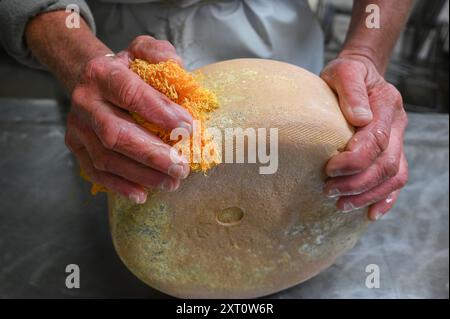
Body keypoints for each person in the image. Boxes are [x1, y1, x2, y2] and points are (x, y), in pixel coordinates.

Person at [0, 0, 411, 221]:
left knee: (300, 208)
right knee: (130, 210)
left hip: (280, 54)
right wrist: (81, 61)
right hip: (105, 41)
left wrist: (365, 55)